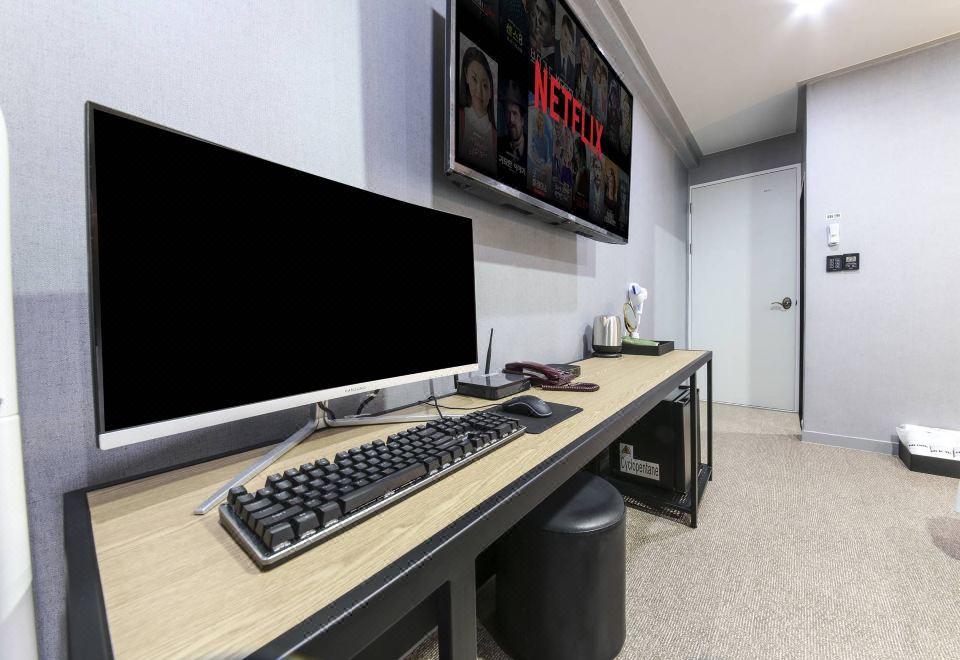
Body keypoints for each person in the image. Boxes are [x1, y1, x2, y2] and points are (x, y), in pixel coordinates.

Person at [457, 46, 497, 175]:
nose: (479, 91)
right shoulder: (458, 117)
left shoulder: (495, 136)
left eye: (485, 85)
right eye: (474, 79)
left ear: (491, 92)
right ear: (466, 76)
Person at [498, 81, 527, 188]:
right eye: (508, 113)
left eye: (514, 113)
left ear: (522, 120)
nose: (511, 120)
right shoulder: (498, 145)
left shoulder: (533, 153)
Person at [557, 14, 576, 86]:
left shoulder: (572, 69)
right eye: (565, 34)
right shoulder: (551, 47)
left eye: (570, 42)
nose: (567, 44)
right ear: (561, 29)